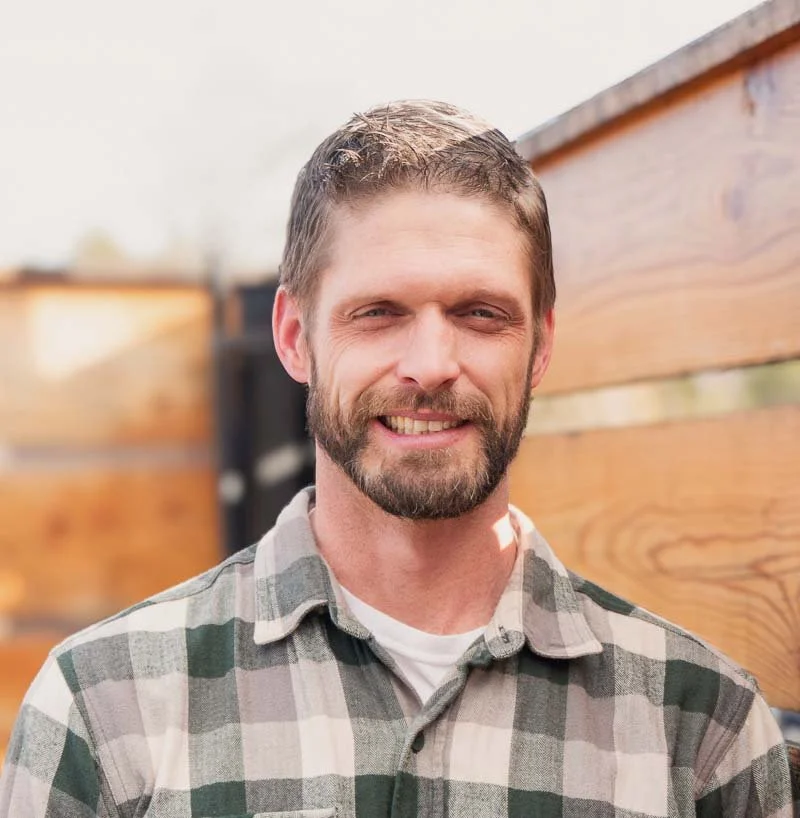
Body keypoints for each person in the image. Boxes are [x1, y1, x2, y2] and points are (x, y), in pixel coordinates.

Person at [0, 100, 794, 818]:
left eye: (480, 314)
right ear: (292, 336)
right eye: (378, 313)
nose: (432, 363)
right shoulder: (102, 709)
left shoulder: (702, 729)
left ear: (541, 347)